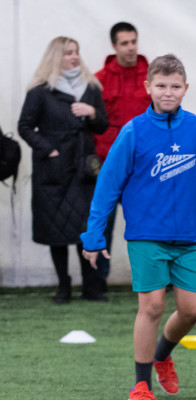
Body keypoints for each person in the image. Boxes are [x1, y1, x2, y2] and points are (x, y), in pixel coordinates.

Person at [80, 54, 196, 400]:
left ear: (186, 88)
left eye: (175, 86)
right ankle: (141, 385)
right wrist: (93, 236)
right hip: (146, 236)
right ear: (148, 87)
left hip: (190, 238)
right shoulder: (133, 132)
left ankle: (162, 355)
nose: (168, 92)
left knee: (192, 309)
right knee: (153, 307)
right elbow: (107, 187)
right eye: (161, 85)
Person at [17, 36, 109, 304]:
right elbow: (25, 126)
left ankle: (91, 286)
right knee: (56, 231)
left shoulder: (91, 87)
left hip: (83, 167)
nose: (74, 57)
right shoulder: (40, 90)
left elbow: (102, 125)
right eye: (68, 52)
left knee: (86, 228)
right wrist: (49, 150)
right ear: (56, 56)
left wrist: (92, 112)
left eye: (76, 51)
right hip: (53, 171)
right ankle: (63, 285)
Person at [93, 22, 151, 286]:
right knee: (103, 222)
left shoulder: (152, 77)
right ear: (114, 46)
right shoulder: (99, 80)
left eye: (133, 41)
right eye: (125, 43)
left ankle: (153, 277)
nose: (131, 47)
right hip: (108, 165)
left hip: (144, 167)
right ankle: (97, 283)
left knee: (149, 224)